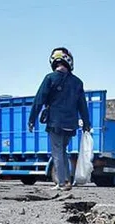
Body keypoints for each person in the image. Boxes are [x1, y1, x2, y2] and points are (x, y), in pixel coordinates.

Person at [28, 47, 91, 190]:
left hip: (55, 122)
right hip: (71, 124)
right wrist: (86, 123)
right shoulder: (77, 82)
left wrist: (32, 119)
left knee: (57, 152)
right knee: (63, 151)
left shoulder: (50, 78)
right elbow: (82, 105)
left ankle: (61, 183)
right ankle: (67, 181)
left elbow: (39, 100)